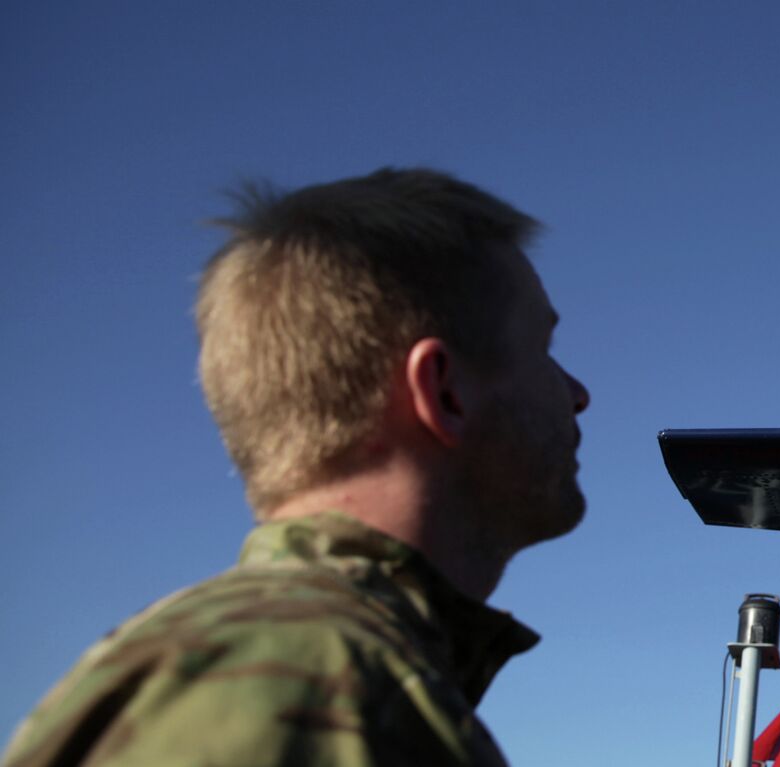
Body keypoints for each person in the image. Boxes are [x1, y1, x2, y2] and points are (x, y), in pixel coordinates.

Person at [2, 168, 591, 767]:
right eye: (542, 351)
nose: (577, 393)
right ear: (445, 393)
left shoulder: (325, 665)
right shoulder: (298, 677)